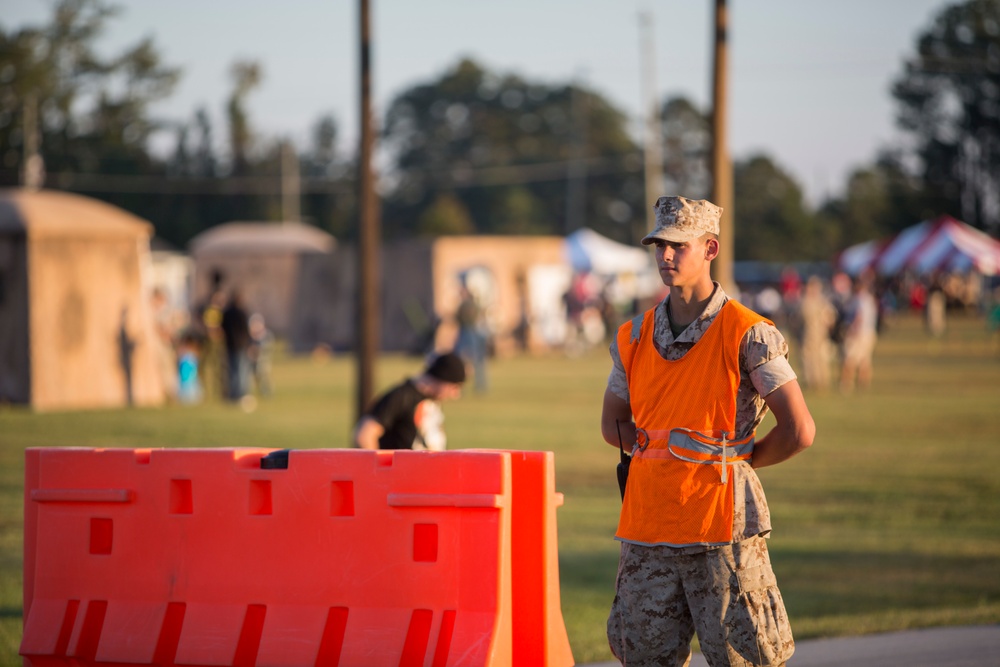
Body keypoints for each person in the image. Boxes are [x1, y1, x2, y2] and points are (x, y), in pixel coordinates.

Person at [600, 196, 815, 667]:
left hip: (720, 529)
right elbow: (613, 424)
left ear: (710, 248)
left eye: (678, 245)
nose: (666, 256)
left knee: (743, 658)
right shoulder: (633, 335)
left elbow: (799, 430)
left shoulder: (748, 332)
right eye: (659, 245)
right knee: (642, 657)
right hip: (648, 527)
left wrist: (738, 457)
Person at [353, 351, 466, 451]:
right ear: (443, 380)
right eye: (454, 387)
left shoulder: (431, 400)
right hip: (402, 473)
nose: (455, 395)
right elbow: (365, 435)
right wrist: (380, 471)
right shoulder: (401, 396)